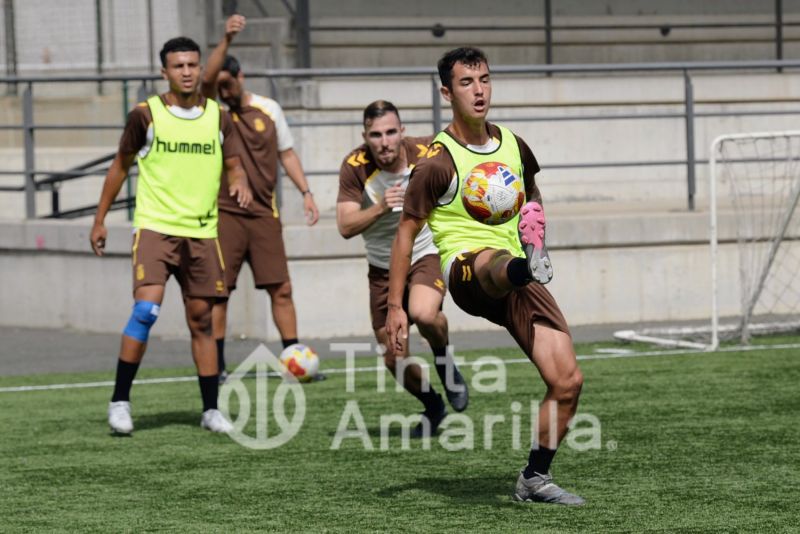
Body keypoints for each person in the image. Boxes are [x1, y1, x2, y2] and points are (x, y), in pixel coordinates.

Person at [386, 47, 585, 505]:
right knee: (492, 259)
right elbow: (405, 234)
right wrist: (396, 307)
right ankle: (524, 265)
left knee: (568, 380)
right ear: (446, 92)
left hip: (519, 277)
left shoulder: (514, 145)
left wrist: (535, 229)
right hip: (468, 271)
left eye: (485, 80)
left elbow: (531, 193)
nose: (479, 91)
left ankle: (534, 478)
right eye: (466, 83)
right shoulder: (437, 162)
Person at [90, 36, 252, 435]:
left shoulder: (218, 117)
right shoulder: (145, 115)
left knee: (202, 320)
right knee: (146, 310)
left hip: (202, 232)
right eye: (178, 66)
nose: (187, 72)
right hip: (155, 228)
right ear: (164, 72)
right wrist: (100, 219)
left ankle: (210, 409)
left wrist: (240, 181)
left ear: (201, 69)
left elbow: (234, 163)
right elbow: (119, 166)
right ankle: (120, 402)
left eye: (192, 65)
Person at [337, 100, 469, 437]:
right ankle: (433, 405)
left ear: (402, 132)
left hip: (424, 253)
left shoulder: (426, 151)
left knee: (423, 313)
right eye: (376, 135)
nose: (384, 142)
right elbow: (345, 225)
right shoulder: (354, 166)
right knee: (394, 359)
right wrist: (380, 207)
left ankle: (444, 360)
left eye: (391, 132)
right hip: (382, 267)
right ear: (365, 137)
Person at [200, 15, 320, 379]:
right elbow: (206, 81)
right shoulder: (213, 111)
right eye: (218, 86)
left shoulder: (269, 109)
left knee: (281, 288)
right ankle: (217, 367)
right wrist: (226, 39)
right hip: (224, 214)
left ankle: (294, 359)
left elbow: (287, 153)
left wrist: (306, 192)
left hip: (264, 213)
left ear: (241, 78)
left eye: (228, 84)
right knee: (220, 292)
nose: (223, 91)